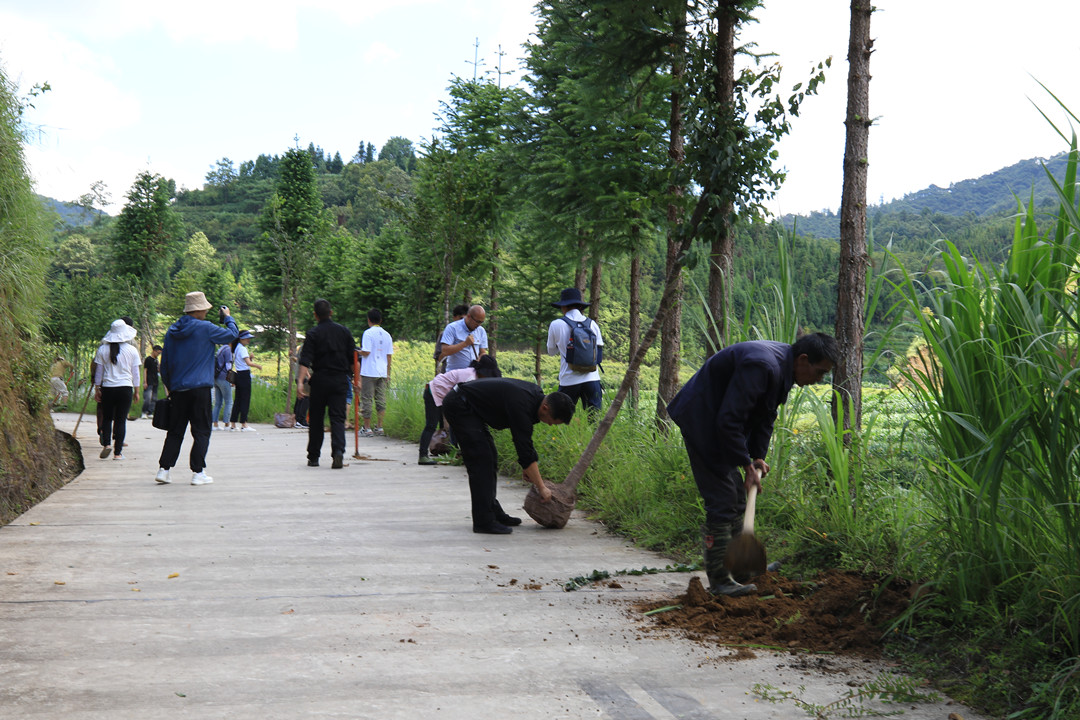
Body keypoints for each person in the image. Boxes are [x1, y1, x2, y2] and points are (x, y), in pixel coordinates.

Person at [666, 332, 838, 597]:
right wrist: (744, 464)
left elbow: (765, 415)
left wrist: (757, 457)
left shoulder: (783, 368)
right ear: (804, 360)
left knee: (737, 497)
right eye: (820, 372)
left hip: (719, 423)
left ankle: (742, 572)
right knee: (723, 499)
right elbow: (729, 420)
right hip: (702, 420)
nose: (819, 380)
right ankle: (721, 581)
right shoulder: (763, 366)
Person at [441, 378, 575, 534]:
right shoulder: (522, 404)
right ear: (545, 408)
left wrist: (528, 467)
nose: (550, 425)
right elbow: (524, 448)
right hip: (460, 405)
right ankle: (483, 521)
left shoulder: (534, 399)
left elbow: (525, 444)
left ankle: (493, 511)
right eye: (552, 421)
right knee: (481, 461)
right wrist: (542, 488)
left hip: (471, 409)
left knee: (490, 457)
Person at [156, 292, 238, 485]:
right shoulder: (205, 328)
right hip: (200, 388)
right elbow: (232, 335)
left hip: (178, 390)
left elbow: (165, 363)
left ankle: (164, 470)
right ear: (199, 309)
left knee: (175, 431)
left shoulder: (172, 331)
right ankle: (198, 472)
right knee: (201, 430)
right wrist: (228, 318)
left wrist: (169, 386)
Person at [297, 299, 358, 469]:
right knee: (338, 418)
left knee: (316, 419)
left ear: (315, 315)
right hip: (340, 380)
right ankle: (338, 452)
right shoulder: (344, 332)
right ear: (331, 313)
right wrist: (356, 380)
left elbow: (305, 360)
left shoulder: (313, 334)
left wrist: (300, 383)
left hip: (320, 381)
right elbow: (354, 360)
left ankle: (314, 457)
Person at [418, 355, 501, 465]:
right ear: (483, 372)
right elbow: (465, 400)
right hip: (433, 392)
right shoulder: (470, 377)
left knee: (456, 422)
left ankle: (457, 452)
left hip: (444, 394)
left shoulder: (475, 377)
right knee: (431, 425)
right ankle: (422, 456)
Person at [546, 287, 605, 416]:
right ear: (580, 306)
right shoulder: (592, 324)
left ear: (563, 307)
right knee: (595, 421)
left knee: (562, 417)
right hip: (592, 378)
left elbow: (551, 351)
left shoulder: (556, 324)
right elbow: (599, 353)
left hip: (569, 379)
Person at [93, 319, 141, 460]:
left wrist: (97, 389)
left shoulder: (102, 349)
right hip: (125, 388)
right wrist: (137, 391)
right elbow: (136, 373)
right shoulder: (132, 350)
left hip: (108, 388)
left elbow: (99, 372)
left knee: (107, 418)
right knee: (120, 420)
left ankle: (107, 444)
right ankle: (118, 453)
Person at [358, 308, 393, 437]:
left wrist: (357, 351)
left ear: (368, 320)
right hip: (383, 372)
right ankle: (379, 426)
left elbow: (366, 352)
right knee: (380, 399)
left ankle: (367, 428)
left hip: (369, 371)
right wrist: (388, 373)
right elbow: (389, 356)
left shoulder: (368, 333)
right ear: (381, 320)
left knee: (366, 398)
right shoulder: (387, 335)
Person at [228, 330, 262, 432]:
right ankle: (244, 424)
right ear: (241, 339)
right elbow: (248, 363)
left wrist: (250, 358)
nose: (248, 340)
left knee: (238, 399)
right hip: (244, 376)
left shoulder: (237, 348)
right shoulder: (242, 349)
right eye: (247, 338)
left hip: (239, 375)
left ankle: (233, 424)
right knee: (245, 399)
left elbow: (243, 362)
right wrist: (257, 365)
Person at [438, 304, 487, 372]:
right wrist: (465, 344)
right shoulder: (452, 328)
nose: (479, 325)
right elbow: (445, 351)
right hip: (455, 375)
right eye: (477, 322)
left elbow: (482, 352)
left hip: (474, 375)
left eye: (481, 322)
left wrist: (481, 360)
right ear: (469, 316)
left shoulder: (481, 331)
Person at [434, 304, 468, 374]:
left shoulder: (472, 335)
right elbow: (438, 357)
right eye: (461, 318)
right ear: (454, 318)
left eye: (465, 319)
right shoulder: (445, 334)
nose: (463, 322)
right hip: (448, 373)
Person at [212, 342, 234, 430]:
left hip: (216, 378)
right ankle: (227, 424)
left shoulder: (221, 349)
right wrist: (232, 379)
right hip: (224, 378)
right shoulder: (228, 350)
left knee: (218, 403)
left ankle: (215, 424)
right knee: (229, 401)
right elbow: (228, 366)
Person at [141, 345, 162, 419]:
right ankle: (144, 412)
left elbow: (158, 370)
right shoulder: (148, 359)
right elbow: (145, 370)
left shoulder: (156, 360)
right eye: (158, 353)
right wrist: (145, 381)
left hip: (155, 380)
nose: (158, 354)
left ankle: (150, 412)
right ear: (154, 351)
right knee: (147, 397)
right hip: (149, 381)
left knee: (154, 398)